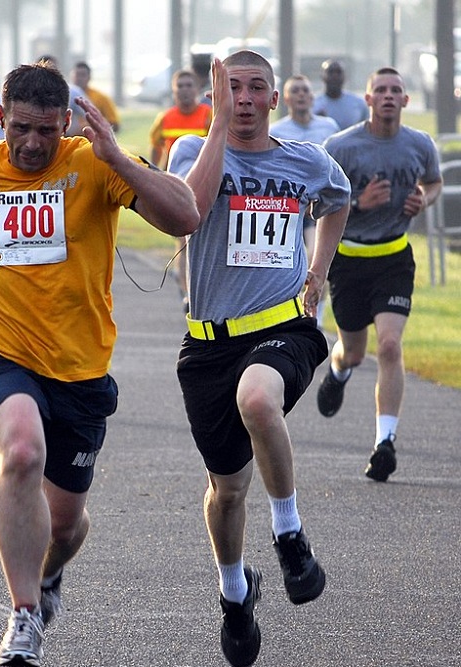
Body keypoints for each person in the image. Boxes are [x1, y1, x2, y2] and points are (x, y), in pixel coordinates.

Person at [0, 61, 200, 666]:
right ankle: (23, 621)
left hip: (80, 370)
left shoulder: (94, 162)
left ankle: (47, 578)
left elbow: (184, 218)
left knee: (66, 526)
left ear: (66, 123)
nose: (32, 143)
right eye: (21, 128)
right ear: (0, 118)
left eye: (47, 131)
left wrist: (120, 160)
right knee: (22, 451)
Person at [167, 51, 350, 667]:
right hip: (208, 344)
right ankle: (235, 594)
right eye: (231, 88)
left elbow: (339, 199)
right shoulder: (192, 152)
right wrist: (216, 125)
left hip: (283, 329)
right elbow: (187, 212)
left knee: (258, 397)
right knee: (226, 492)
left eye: (255, 89)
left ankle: (291, 533)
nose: (243, 98)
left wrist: (318, 269)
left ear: (274, 99)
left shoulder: (306, 162)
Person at [317, 67, 442, 482]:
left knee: (389, 346)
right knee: (354, 351)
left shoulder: (419, 144)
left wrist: (425, 199)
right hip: (350, 260)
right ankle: (338, 372)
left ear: (406, 101)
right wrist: (359, 202)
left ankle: (384, 444)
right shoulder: (342, 146)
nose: (389, 96)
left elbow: (435, 181)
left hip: (394, 257)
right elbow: (320, 200)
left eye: (396, 91)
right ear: (367, 100)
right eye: (380, 91)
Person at [271, 75, 341, 327]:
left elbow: (337, 167)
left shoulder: (328, 127)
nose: (301, 95)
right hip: (286, 206)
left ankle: (316, 315)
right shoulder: (276, 131)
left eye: (305, 90)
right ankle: (285, 313)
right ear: (285, 98)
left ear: (313, 96)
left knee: (315, 255)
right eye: (295, 91)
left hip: (317, 205)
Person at [149, 69, 213, 311]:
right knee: (183, 240)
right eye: (180, 86)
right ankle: (188, 295)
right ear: (174, 91)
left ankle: (201, 287)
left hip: (205, 185)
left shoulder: (208, 115)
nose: (185, 91)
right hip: (177, 188)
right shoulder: (165, 119)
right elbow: (156, 150)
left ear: (197, 90)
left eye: (189, 86)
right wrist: (157, 176)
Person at [313, 59, 368, 130]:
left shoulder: (359, 104)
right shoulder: (313, 104)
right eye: (330, 72)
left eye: (338, 72)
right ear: (322, 76)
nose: (334, 76)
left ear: (345, 77)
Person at [72, 61, 119, 132]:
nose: (79, 78)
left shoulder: (101, 97)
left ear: (89, 77)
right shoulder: (66, 97)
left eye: (83, 75)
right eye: (77, 75)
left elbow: (115, 124)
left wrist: (96, 128)